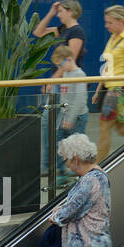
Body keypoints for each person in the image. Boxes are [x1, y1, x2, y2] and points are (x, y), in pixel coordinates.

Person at [49, 134, 112, 247]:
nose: (67, 166)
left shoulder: (90, 181)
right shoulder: (96, 176)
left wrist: (55, 215)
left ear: (75, 159)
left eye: (66, 161)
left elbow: (66, 213)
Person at [91, 5, 124, 164]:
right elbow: (107, 67)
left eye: (109, 22)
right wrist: (98, 89)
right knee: (121, 128)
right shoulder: (113, 38)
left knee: (105, 128)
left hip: (119, 90)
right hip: (111, 89)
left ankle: (97, 165)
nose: (106, 26)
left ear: (120, 21)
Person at [47, 45, 87, 187]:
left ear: (69, 59)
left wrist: (70, 118)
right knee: (60, 143)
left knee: (77, 146)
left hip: (77, 117)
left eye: (61, 64)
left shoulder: (79, 75)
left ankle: (82, 175)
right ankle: (62, 173)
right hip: (64, 115)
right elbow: (65, 97)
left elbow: (80, 99)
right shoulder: (66, 73)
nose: (60, 68)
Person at [33, 0, 87, 67]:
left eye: (60, 11)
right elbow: (38, 33)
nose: (58, 15)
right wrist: (51, 13)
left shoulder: (76, 32)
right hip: (62, 76)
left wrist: (56, 76)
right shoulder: (62, 29)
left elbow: (70, 62)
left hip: (68, 76)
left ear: (70, 11)